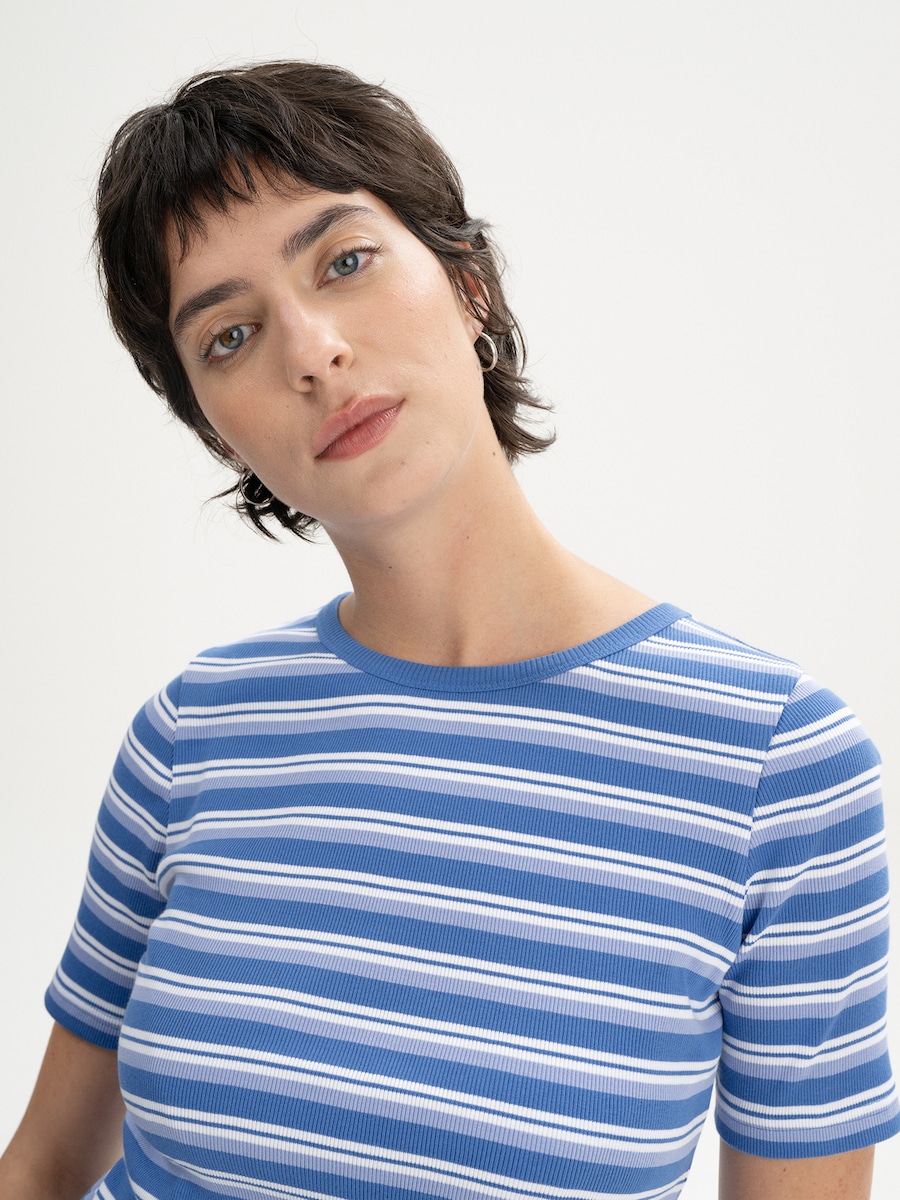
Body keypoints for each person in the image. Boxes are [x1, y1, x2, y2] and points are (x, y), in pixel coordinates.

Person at [0, 60, 896, 1200]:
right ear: (219, 432)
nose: (311, 350)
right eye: (228, 336)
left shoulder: (777, 765)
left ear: (468, 282)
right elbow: (42, 1164)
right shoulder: (190, 735)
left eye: (345, 261)